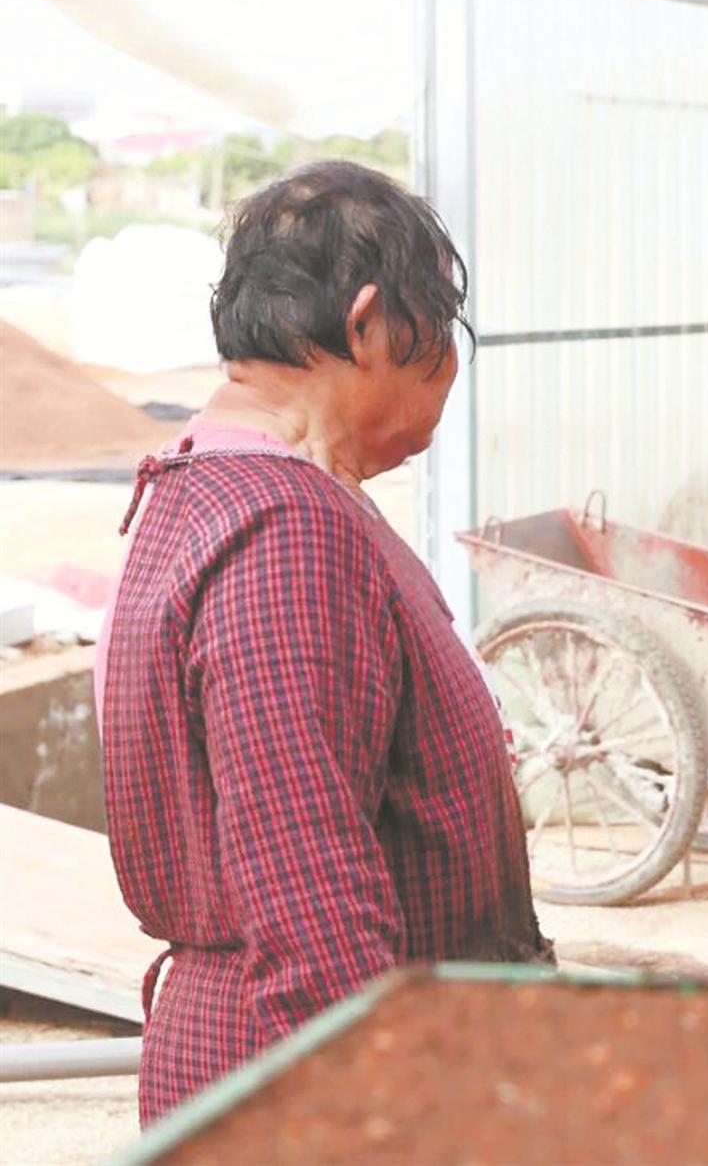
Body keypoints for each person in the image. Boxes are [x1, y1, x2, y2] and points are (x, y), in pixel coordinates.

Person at [98, 162, 550, 1122]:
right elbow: (311, 895)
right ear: (369, 323)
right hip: (318, 1081)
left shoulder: (197, 489)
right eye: (441, 333)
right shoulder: (286, 528)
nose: (448, 374)